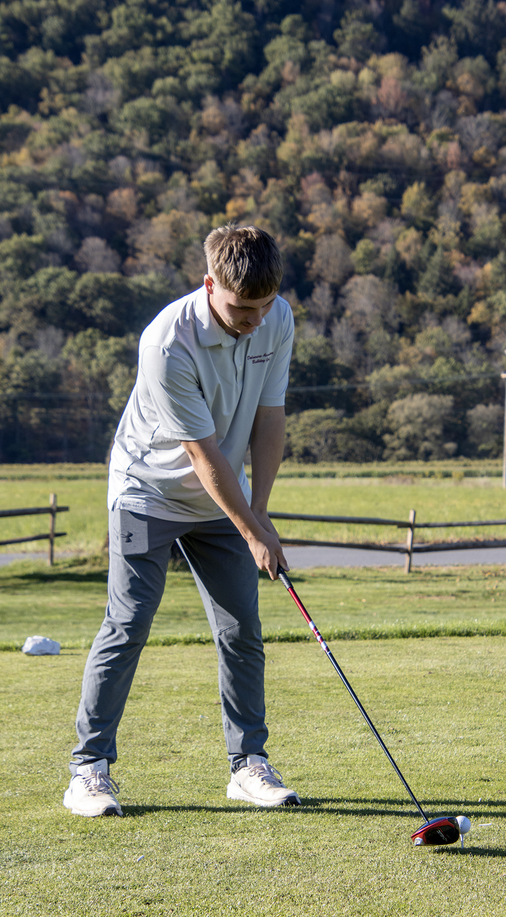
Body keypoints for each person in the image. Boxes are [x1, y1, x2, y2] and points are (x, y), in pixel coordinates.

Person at [63, 224, 300, 817]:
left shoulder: (277, 318)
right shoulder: (167, 341)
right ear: (209, 283)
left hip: (223, 500)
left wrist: (262, 515)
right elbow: (204, 454)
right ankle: (88, 770)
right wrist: (251, 532)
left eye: (263, 307)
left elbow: (270, 420)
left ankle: (248, 765)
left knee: (241, 626)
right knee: (130, 622)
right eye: (242, 308)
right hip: (149, 490)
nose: (253, 320)